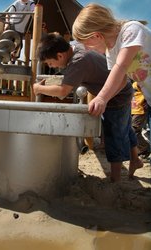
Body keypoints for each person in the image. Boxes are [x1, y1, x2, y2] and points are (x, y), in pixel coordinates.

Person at [33, 32, 143, 182]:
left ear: (60, 56)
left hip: (116, 96)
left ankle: (116, 179)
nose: (51, 67)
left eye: (50, 63)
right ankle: (135, 160)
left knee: (113, 133)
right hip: (122, 89)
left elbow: (63, 92)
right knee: (125, 126)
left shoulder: (77, 62)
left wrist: (38, 89)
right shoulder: (76, 48)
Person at [72, 3, 151, 163]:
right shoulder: (111, 51)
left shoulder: (131, 30)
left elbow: (121, 67)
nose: (87, 49)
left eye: (86, 43)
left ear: (97, 36)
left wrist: (101, 97)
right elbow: (121, 81)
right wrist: (105, 100)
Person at [131, 82, 150, 159]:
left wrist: (146, 101)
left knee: (134, 130)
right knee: (132, 131)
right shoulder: (133, 83)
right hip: (134, 110)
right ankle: (140, 149)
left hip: (140, 111)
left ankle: (145, 148)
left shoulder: (141, 83)